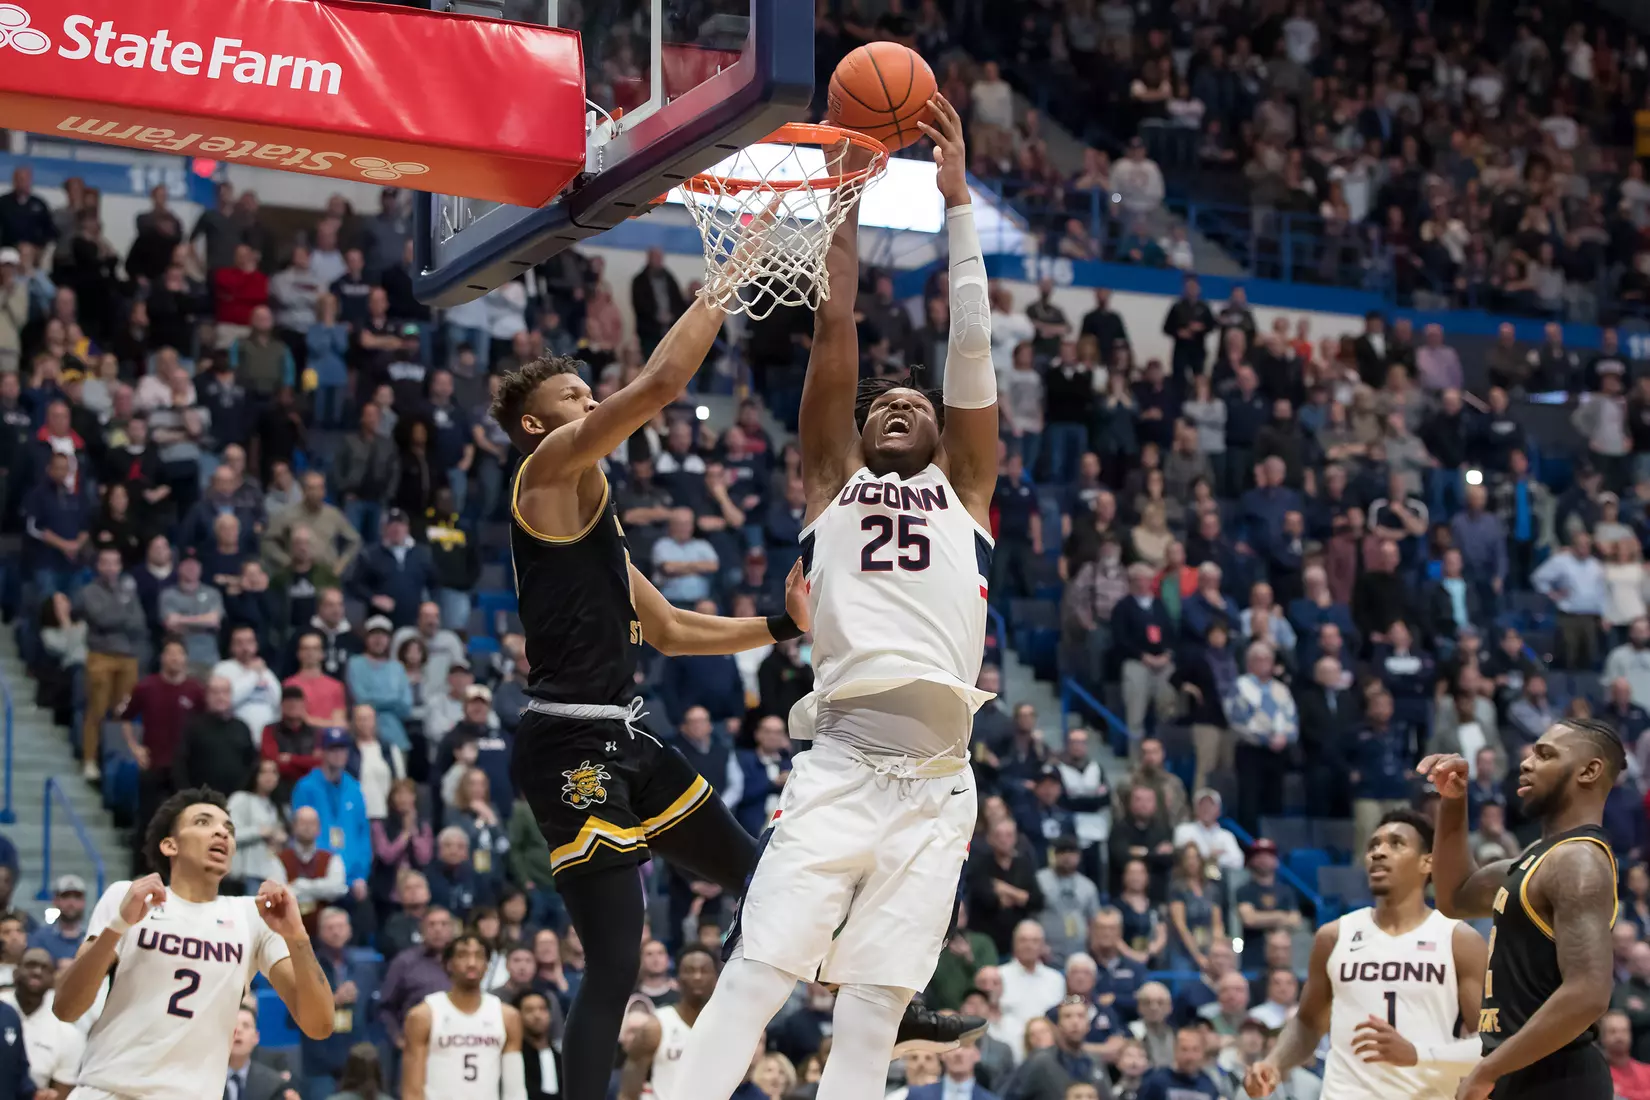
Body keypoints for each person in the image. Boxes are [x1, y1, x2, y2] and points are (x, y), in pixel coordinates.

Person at [491, 178, 908, 1100]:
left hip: (622, 731)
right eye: (572, 395)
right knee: (615, 960)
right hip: (566, 740)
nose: (589, 400)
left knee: (766, 877)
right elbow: (661, 384)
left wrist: (780, 625)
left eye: (587, 389)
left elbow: (672, 630)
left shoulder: (594, 521)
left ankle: (877, 1006)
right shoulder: (544, 472)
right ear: (536, 423)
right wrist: (729, 273)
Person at [669, 95, 992, 1100]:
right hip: (842, 764)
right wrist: (843, 192)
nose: (897, 404)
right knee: (757, 973)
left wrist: (958, 205)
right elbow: (835, 318)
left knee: (872, 1011)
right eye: (882, 403)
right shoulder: (831, 480)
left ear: (941, 433)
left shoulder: (967, 491)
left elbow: (971, 349)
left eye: (916, 405)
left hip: (938, 786)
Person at [53, 788, 335, 1099]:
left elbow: (320, 1025)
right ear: (169, 845)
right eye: (203, 822)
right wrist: (118, 925)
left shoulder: (253, 917)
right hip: (109, 1090)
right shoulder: (129, 897)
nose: (221, 832)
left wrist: (298, 937)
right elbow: (66, 1008)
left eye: (228, 829)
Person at [1422, 717, 1624, 1100]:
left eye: (1545, 755)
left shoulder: (1578, 860)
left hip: (1557, 1076)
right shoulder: (1540, 856)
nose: (1526, 763)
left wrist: (1488, 1070)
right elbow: (1455, 897)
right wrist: (1453, 802)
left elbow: (1589, 993)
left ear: (1589, 771)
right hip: (1520, 1067)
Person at [1244, 808, 1487, 1100]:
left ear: (1427, 862)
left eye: (1396, 844)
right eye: (1373, 845)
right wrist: (1274, 1063)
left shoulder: (1458, 940)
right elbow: (1308, 1024)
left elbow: (1489, 1044)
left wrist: (1417, 1054)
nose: (1378, 853)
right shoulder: (1334, 936)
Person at [400, 932, 524, 1100]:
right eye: (463, 955)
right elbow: (412, 1091)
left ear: (487, 965)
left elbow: (515, 1091)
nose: (471, 963)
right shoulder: (423, 1015)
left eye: (479, 956)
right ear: (448, 964)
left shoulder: (507, 1016)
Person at [1, 947, 83, 1095]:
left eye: (45, 968)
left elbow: (60, 1093)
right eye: (30, 965)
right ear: (15, 972)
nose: (37, 972)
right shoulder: (5, 1011)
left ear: (54, 979)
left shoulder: (68, 1034)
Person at [647, 945, 719, 1100]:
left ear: (716, 978)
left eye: (704, 970)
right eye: (689, 971)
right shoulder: (657, 1025)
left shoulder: (727, 1027)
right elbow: (628, 1093)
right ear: (677, 978)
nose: (697, 976)